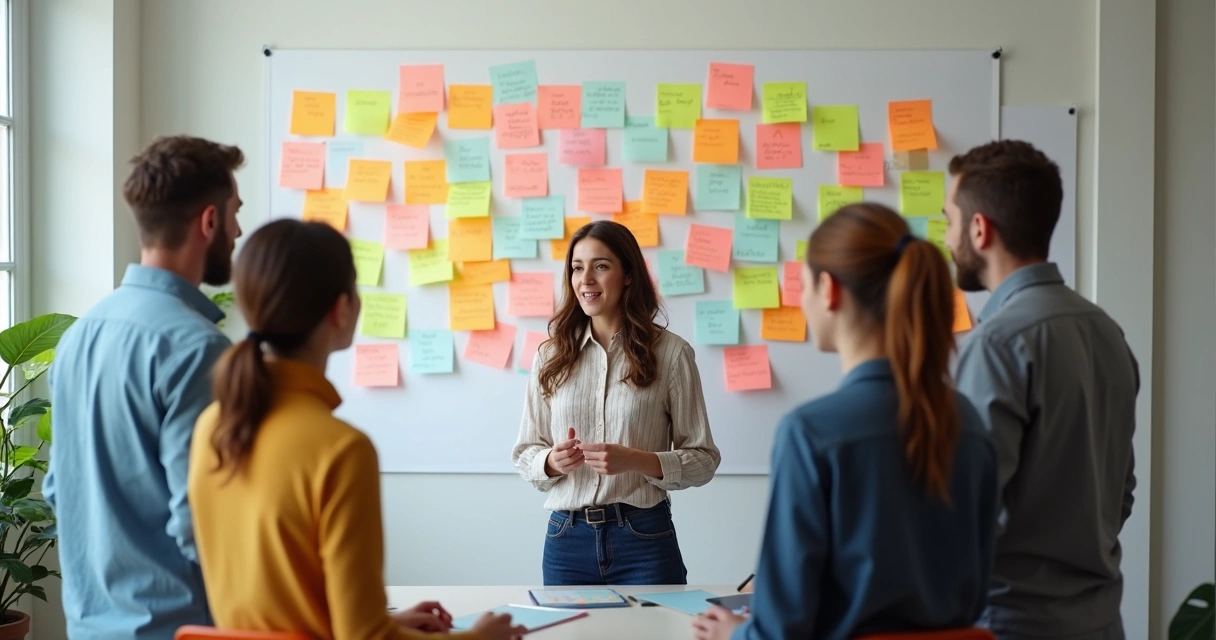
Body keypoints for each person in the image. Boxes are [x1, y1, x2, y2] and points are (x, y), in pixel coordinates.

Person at [188, 219, 522, 640]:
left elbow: (276, 613)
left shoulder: (211, 427)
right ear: (342, 308)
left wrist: (386, 622)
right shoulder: (339, 449)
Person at [693, 203, 999, 640]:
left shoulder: (811, 433)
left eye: (801, 285)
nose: (799, 300)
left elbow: (781, 632)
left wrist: (732, 635)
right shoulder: (969, 424)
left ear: (828, 289)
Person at [45, 135, 244, 639]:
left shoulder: (79, 335)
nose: (240, 230)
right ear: (210, 221)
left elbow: (58, 488)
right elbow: (201, 519)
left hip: (89, 628)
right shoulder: (198, 350)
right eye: (235, 213)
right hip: (179, 629)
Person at [946, 140, 1139, 640]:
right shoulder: (1105, 331)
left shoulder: (996, 343)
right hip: (1100, 622)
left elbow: (970, 511)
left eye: (948, 220)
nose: (946, 238)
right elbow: (1122, 492)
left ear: (979, 228)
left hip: (1012, 625)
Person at [511, 220, 721, 586]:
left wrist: (636, 460)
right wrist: (550, 461)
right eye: (577, 268)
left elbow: (703, 459)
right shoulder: (550, 356)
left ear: (627, 275)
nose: (585, 279)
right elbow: (526, 451)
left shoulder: (672, 354)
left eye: (601, 266)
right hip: (566, 541)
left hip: (644, 537)